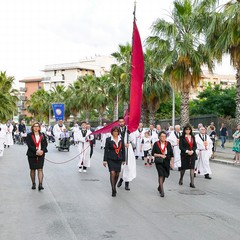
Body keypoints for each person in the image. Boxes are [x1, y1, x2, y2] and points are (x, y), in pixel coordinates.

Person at [103, 126, 125, 197]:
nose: (115, 133)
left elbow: (123, 150)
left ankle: (114, 185)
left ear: (119, 132)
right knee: (112, 173)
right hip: (111, 158)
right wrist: (105, 160)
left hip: (119, 159)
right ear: (112, 132)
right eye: (114, 131)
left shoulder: (121, 139)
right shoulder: (108, 139)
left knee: (117, 174)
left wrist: (124, 159)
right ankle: (113, 189)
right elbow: (106, 150)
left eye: (117, 131)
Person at [26, 122, 48, 191]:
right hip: (32, 154)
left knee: (40, 169)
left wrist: (42, 151)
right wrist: (36, 151)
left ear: (39, 128)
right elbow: (29, 145)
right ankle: (33, 183)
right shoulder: (29, 135)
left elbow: (45, 144)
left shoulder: (42, 135)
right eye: (34, 126)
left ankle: (40, 184)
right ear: (32, 127)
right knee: (32, 169)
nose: (36, 128)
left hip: (41, 154)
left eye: (37, 126)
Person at [152, 131, 174, 197]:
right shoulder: (156, 144)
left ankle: (159, 187)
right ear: (159, 137)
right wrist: (160, 155)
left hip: (166, 161)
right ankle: (162, 191)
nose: (163, 138)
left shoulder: (168, 144)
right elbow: (153, 153)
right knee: (161, 174)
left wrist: (172, 162)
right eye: (162, 136)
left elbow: (171, 154)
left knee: (164, 175)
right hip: (159, 162)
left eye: (164, 136)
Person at [117, 116, 136, 191]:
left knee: (128, 166)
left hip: (128, 148)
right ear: (118, 122)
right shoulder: (117, 129)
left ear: (124, 122)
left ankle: (127, 184)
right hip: (120, 149)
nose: (121, 123)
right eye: (120, 122)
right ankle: (121, 179)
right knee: (121, 167)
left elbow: (133, 139)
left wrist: (129, 141)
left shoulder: (129, 129)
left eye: (122, 122)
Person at [179, 124, 198, 188]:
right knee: (183, 168)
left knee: (192, 168)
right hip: (185, 155)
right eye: (186, 129)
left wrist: (192, 151)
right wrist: (187, 151)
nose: (188, 130)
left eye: (189, 129)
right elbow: (180, 147)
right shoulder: (182, 137)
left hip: (192, 154)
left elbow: (195, 146)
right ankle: (181, 178)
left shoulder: (193, 137)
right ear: (184, 130)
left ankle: (192, 183)